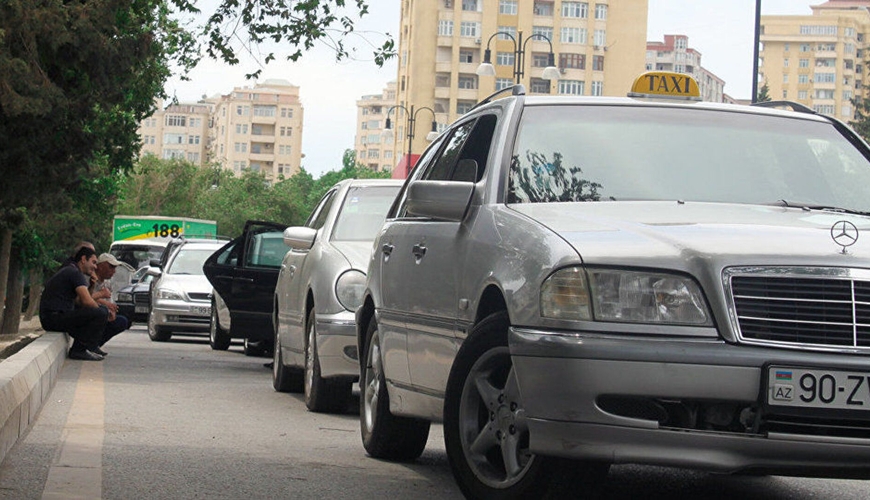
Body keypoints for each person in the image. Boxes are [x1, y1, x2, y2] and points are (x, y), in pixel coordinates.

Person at [39, 247, 108, 361]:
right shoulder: (74, 273)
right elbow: (87, 302)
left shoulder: (71, 270)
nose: (95, 267)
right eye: (93, 262)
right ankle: (79, 350)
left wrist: (92, 285)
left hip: (51, 318)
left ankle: (87, 347)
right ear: (83, 259)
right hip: (54, 318)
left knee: (99, 312)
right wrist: (102, 314)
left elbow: (80, 302)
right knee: (101, 312)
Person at [89, 253, 132, 353]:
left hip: (102, 312)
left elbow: (109, 299)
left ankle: (95, 344)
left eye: (115, 268)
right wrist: (103, 300)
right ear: (100, 266)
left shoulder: (107, 283)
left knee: (122, 320)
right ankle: (89, 345)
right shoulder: (90, 279)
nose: (113, 271)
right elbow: (85, 297)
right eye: (111, 267)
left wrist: (112, 309)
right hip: (91, 311)